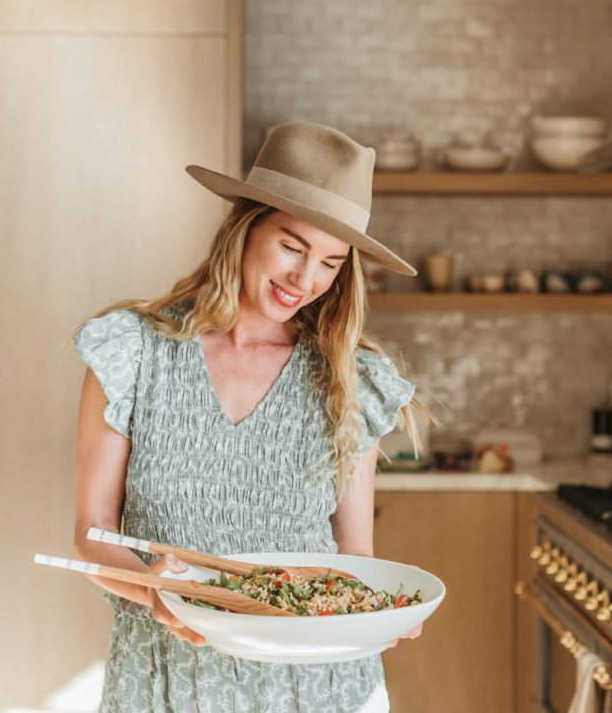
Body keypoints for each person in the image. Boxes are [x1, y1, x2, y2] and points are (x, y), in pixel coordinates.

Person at [71, 122, 432, 713]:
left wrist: (378, 610)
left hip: (316, 686)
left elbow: (353, 554)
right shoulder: (132, 352)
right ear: (244, 226)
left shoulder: (349, 379)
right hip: (167, 676)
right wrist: (156, 588)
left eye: (331, 263)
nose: (305, 280)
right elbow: (91, 537)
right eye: (292, 246)